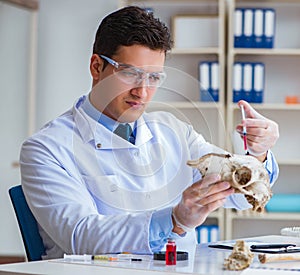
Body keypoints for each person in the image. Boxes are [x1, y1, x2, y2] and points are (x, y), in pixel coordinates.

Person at [20, 6, 279, 259]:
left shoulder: (174, 131)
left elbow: (239, 196)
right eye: (131, 74)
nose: (142, 92)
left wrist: (257, 155)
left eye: (154, 78)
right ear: (97, 67)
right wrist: (175, 220)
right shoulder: (47, 148)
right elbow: (79, 237)